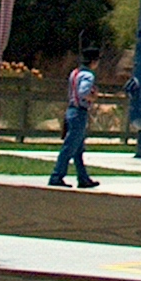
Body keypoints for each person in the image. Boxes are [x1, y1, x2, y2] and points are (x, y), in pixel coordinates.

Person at [49, 47, 101, 188]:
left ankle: (83, 178)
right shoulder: (88, 76)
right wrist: (93, 97)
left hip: (71, 110)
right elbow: (83, 91)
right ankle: (57, 175)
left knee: (78, 149)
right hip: (79, 112)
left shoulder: (75, 73)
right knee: (70, 147)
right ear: (94, 61)